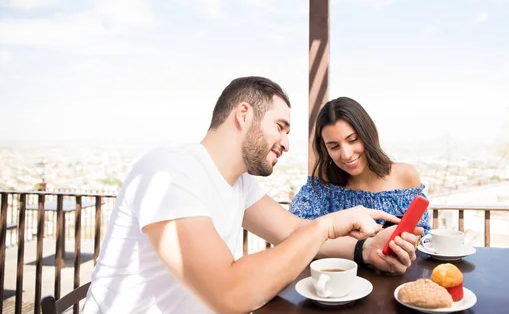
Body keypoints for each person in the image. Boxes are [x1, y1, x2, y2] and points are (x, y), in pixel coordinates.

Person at [84, 76, 421, 314]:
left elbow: (291, 231)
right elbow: (230, 295)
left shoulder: (240, 185)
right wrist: (326, 226)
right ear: (243, 115)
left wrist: (367, 249)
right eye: (280, 127)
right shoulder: (169, 170)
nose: (287, 144)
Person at [290, 96, 431, 252]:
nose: (346, 154)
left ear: (368, 135)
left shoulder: (406, 175)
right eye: (334, 147)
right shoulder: (323, 181)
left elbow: (422, 236)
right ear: (325, 149)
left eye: (353, 140)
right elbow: (294, 232)